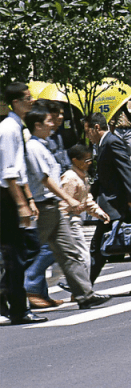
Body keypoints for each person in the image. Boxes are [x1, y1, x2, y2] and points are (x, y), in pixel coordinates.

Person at [22, 108, 111, 310]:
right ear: (37, 125)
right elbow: (45, 179)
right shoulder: (34, 148)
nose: (52, 124)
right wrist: (68, 199)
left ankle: (85, 295)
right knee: (32, 253)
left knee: (69, 252)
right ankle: (15, 289)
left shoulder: (46, 145)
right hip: (45, 208)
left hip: (53, 208)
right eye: (48, 121)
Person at [85, 113, 131, 294]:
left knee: (100, 246)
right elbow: (104, 178)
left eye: (87, 130)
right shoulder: (103, 145)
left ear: (96, 128)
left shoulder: (112, 142)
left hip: (117, 205)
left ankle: (83, 287)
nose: (86, 135)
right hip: (113, 204)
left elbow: (128, 171)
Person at [0, 83, 45, 325]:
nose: (31, 101)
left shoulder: (17, 127)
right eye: (28, 98)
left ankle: (12, 301)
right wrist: (20, 204)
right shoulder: (9, 129)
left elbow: (20, 170)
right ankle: (17, 308)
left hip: (14, 196)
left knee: (22, 250)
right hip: (6, 198)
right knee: (15, 255)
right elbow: (9, 173)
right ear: (15, 102)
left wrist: (29, 199)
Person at [60, 145, 109, 276]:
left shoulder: (83, 176)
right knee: (82, 258)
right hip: (68, 222)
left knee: (77, 258)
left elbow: (86, 199)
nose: (90, 163)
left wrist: (99, 213)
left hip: (74, 221)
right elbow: (63, 205)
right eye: (86, 160)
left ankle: (78, 291)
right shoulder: (70, 178)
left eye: (90, 159)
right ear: (75, 161)